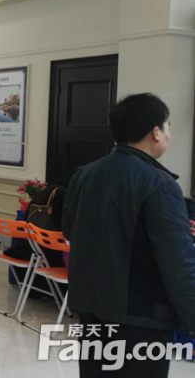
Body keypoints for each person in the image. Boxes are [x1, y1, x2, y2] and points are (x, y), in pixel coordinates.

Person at [63, 93, 195, 377]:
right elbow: (179, 264)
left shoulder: (84, 174)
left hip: (91, 310)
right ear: (156, 132)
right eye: (168, 127)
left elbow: (69, 230)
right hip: (140, 319)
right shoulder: (159, 185)